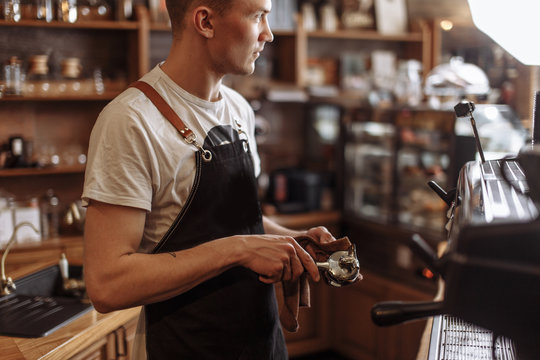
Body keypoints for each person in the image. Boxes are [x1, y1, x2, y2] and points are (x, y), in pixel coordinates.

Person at [82, 0, 338, 358]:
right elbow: (107, 285)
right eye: (257, 16)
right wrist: (237, 249)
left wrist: (291, 241)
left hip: (261, 345)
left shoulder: (239, 110)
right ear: (205, 21)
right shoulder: (131, 122)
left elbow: (239, 221)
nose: (269, 33)